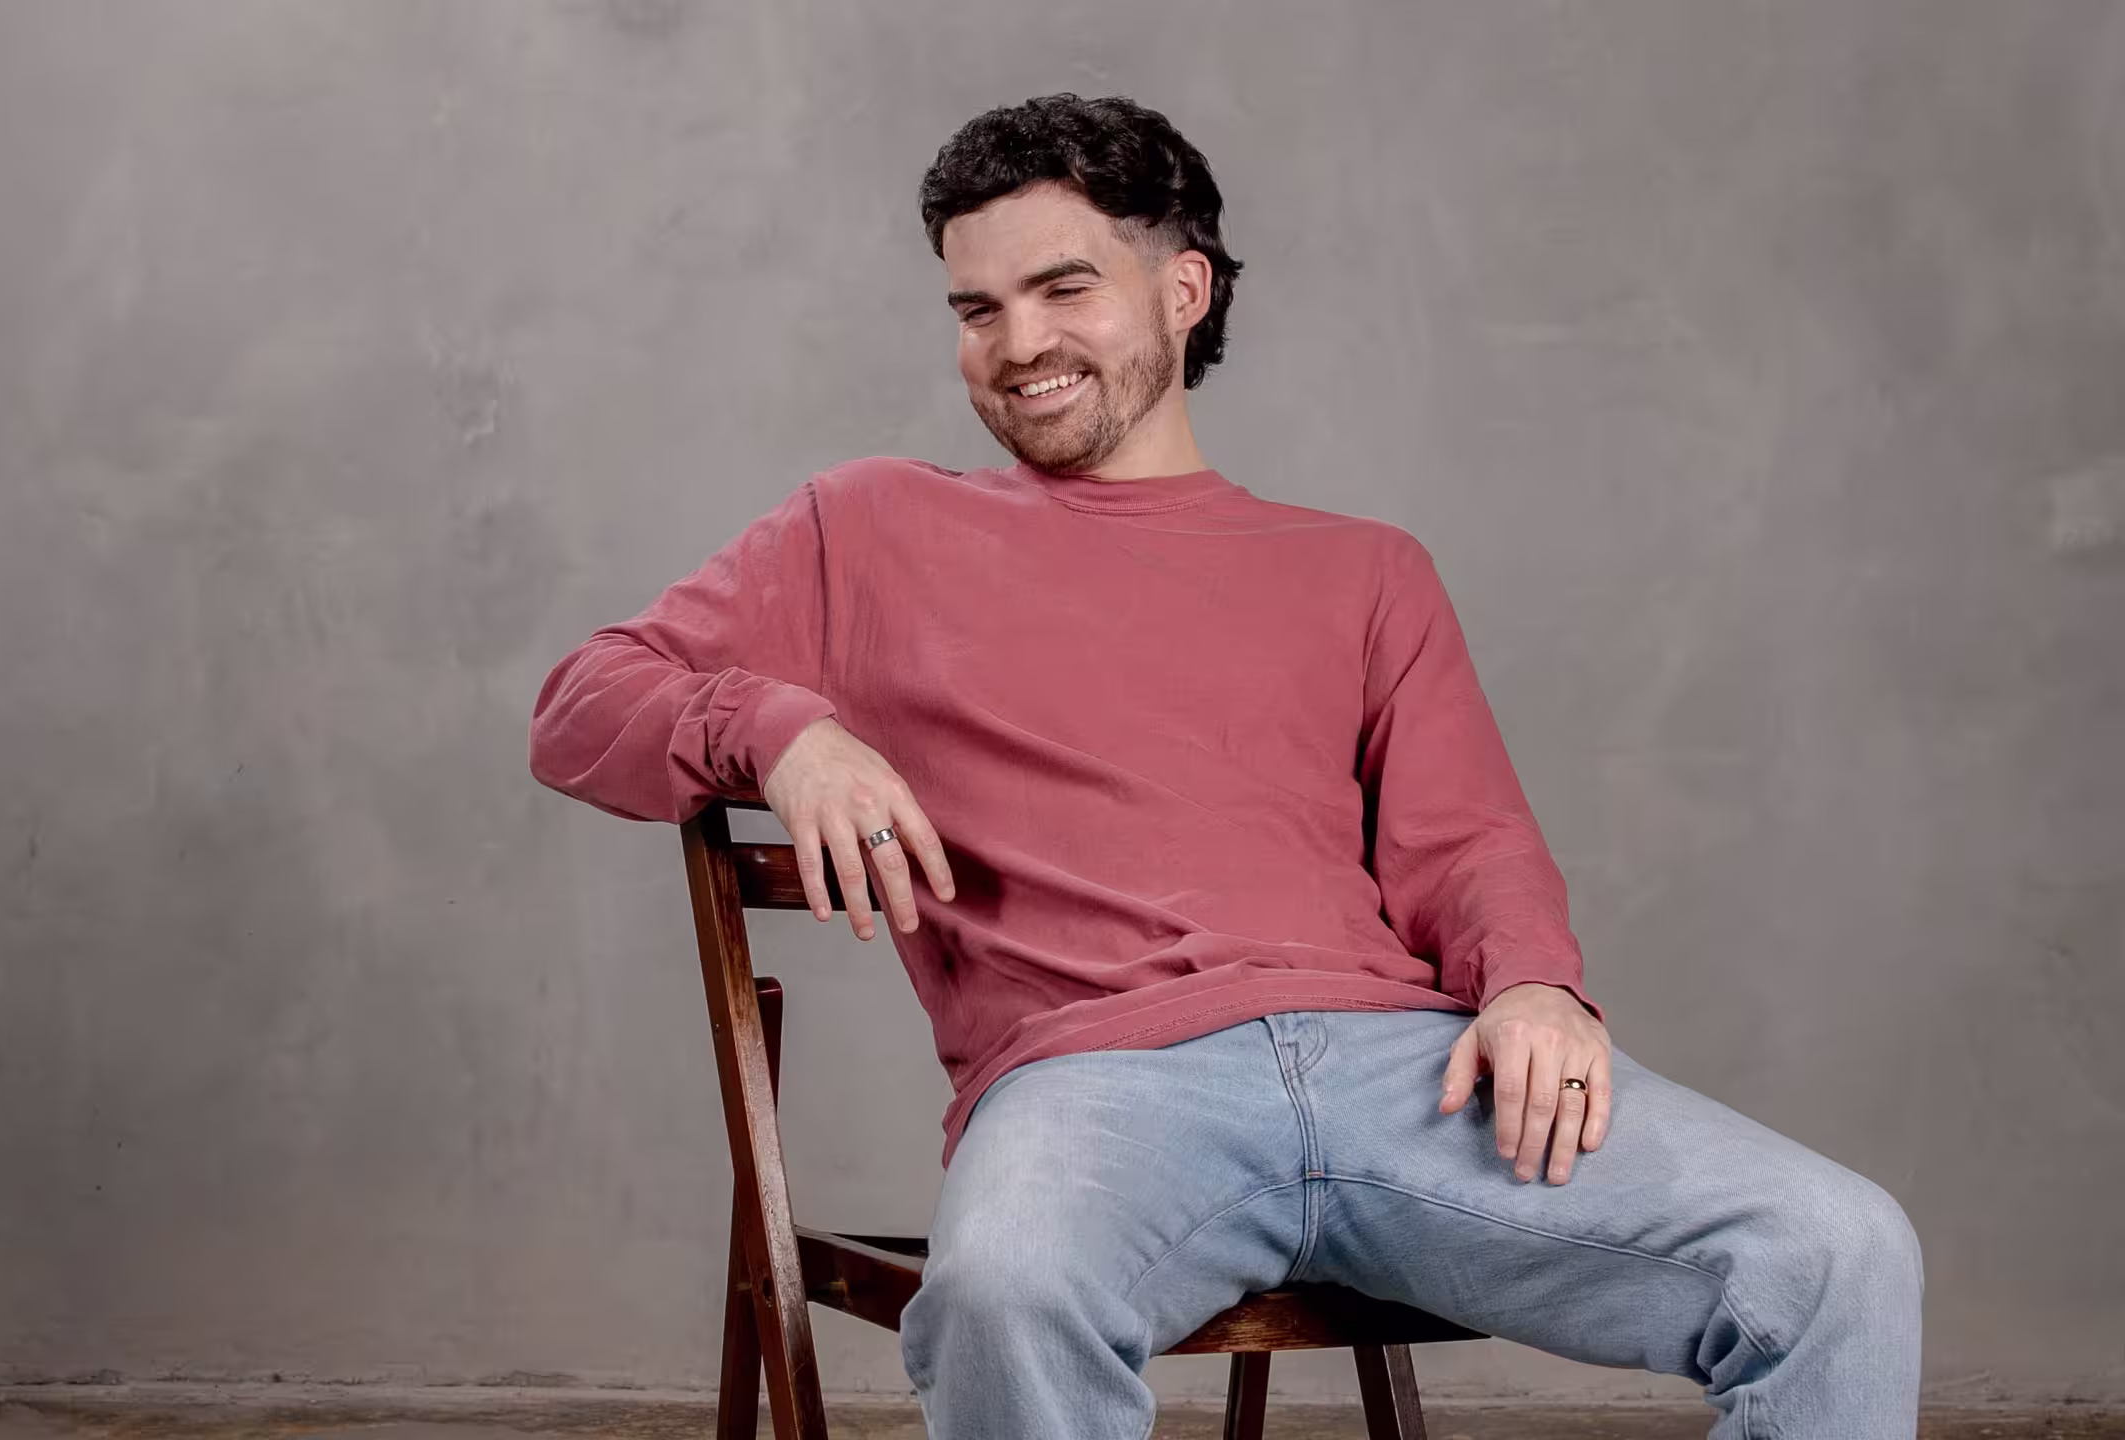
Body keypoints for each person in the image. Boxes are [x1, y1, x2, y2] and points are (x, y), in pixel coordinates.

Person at [528, 93, 1921, 1439]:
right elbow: (581, 704)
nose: (1019, 343)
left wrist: (1536, 982)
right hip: (1096, 1086)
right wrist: (783, 730)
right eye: (977, 308)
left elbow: (1468, 845)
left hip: (1410, 1079)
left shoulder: (1364, 571)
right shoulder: (870, 527)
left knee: (1837, 1250)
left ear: (1183, 290)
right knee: (1005, 1297)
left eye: (1064, 288)